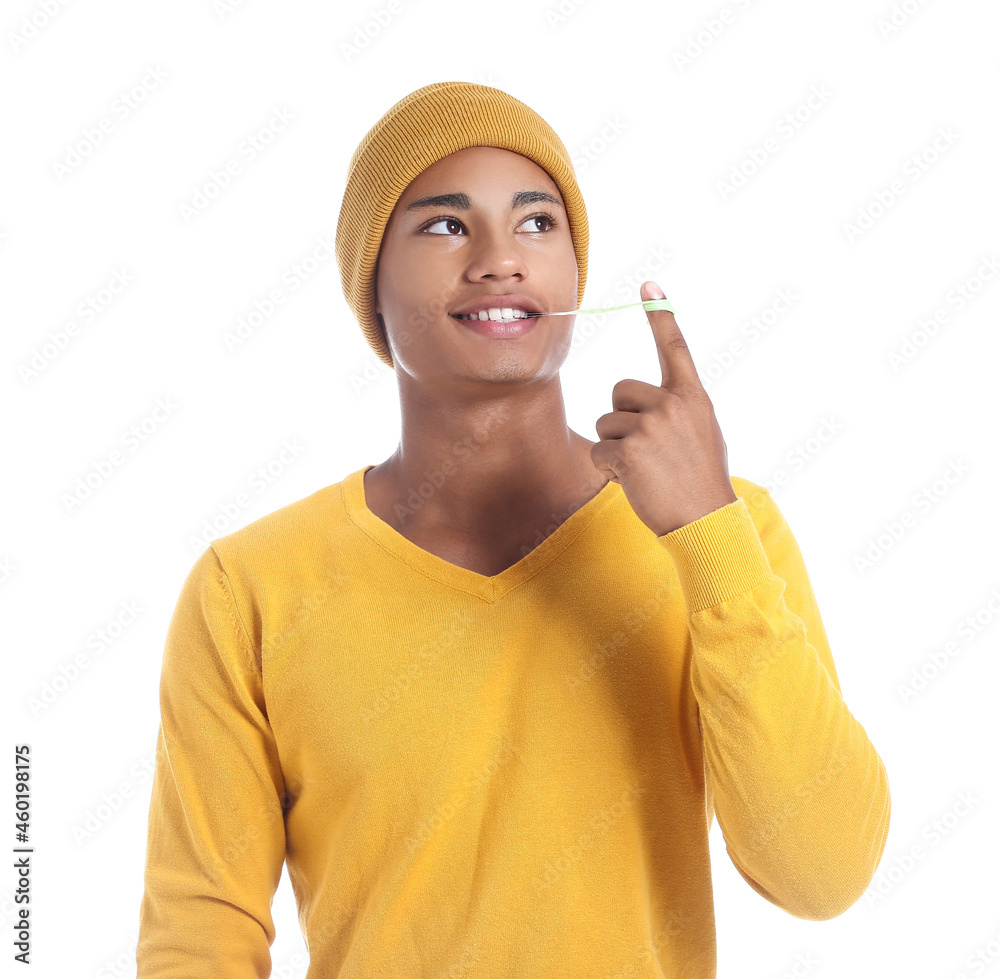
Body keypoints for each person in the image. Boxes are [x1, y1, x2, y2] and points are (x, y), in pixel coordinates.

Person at [136, 80, 891, 978]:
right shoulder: (250, 587)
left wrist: (706, 534)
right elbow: (199, 930)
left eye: (538, 222)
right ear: (368, 281)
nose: (501, 258)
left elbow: (824, 872)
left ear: (574, 271)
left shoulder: (727, 531)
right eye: (447, 225)